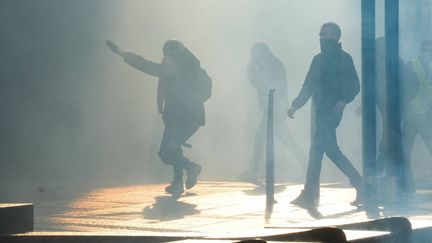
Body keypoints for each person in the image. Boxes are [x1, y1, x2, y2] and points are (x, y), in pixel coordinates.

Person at [106, 39, 212, 195]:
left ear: (178, 57)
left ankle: (179, 180)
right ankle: (189, 169)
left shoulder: (190, 70)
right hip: (174, 117)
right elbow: (145, 65)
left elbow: (195, 68)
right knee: (166, 153)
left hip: (189, 116)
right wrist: (124, 54)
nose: (167, 59)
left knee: (171, 147)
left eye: (171, 56)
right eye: (166, 56)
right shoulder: (166, 70)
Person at [287, 23, 362, 212]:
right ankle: (360, 186)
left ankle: (312, 193)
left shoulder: (344, 59)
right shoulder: (318, 60)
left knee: (322, 151)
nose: (321, 38)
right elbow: (308, 85)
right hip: (320, 111)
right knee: (324, 152)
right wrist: (296, 104)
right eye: (320, 35)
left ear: (335, 37)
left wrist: (344, 100)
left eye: (325, 35)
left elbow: (354, 85)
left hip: (331, 112)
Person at [238, 43, 307, 184]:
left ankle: (253, 170)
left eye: (255, 55)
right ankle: (307, 165)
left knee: (265, 137)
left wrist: (251, 70)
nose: (253, 58)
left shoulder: (273, 65)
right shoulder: (268, 64)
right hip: (272, 107)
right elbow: (259, 83)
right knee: (281, 138)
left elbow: (265, 84)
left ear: (263, 53)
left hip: (275, 107)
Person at [402, 40, 432, 192]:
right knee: (406, 151)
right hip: (412, 117)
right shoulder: (411, 65)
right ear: (421, 51)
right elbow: (405, 89)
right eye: (426, 50)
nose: (428, 53)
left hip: (427, 116)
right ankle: (408, 185)